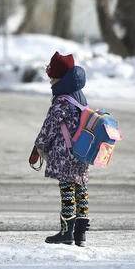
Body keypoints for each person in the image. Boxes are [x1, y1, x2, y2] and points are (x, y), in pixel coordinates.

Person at [32, 50, 91, 246]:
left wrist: (39, 146)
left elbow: (50, 126)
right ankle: (80, 233)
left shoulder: (62, 100)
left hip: (66, 153)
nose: (51, 82)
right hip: (82, 150)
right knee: (80, 188)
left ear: (60, 78)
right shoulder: (80, 97)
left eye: (53, 78)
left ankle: (66, 232)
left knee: (67, 189)